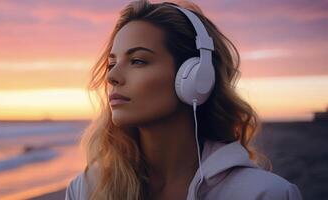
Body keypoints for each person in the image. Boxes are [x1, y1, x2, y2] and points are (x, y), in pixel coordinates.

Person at [65, 0, 303, 199]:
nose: (112, 76)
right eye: (112, 63)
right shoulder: (87, 190)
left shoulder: (264, 194)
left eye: (138, 60)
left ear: (196, 76)